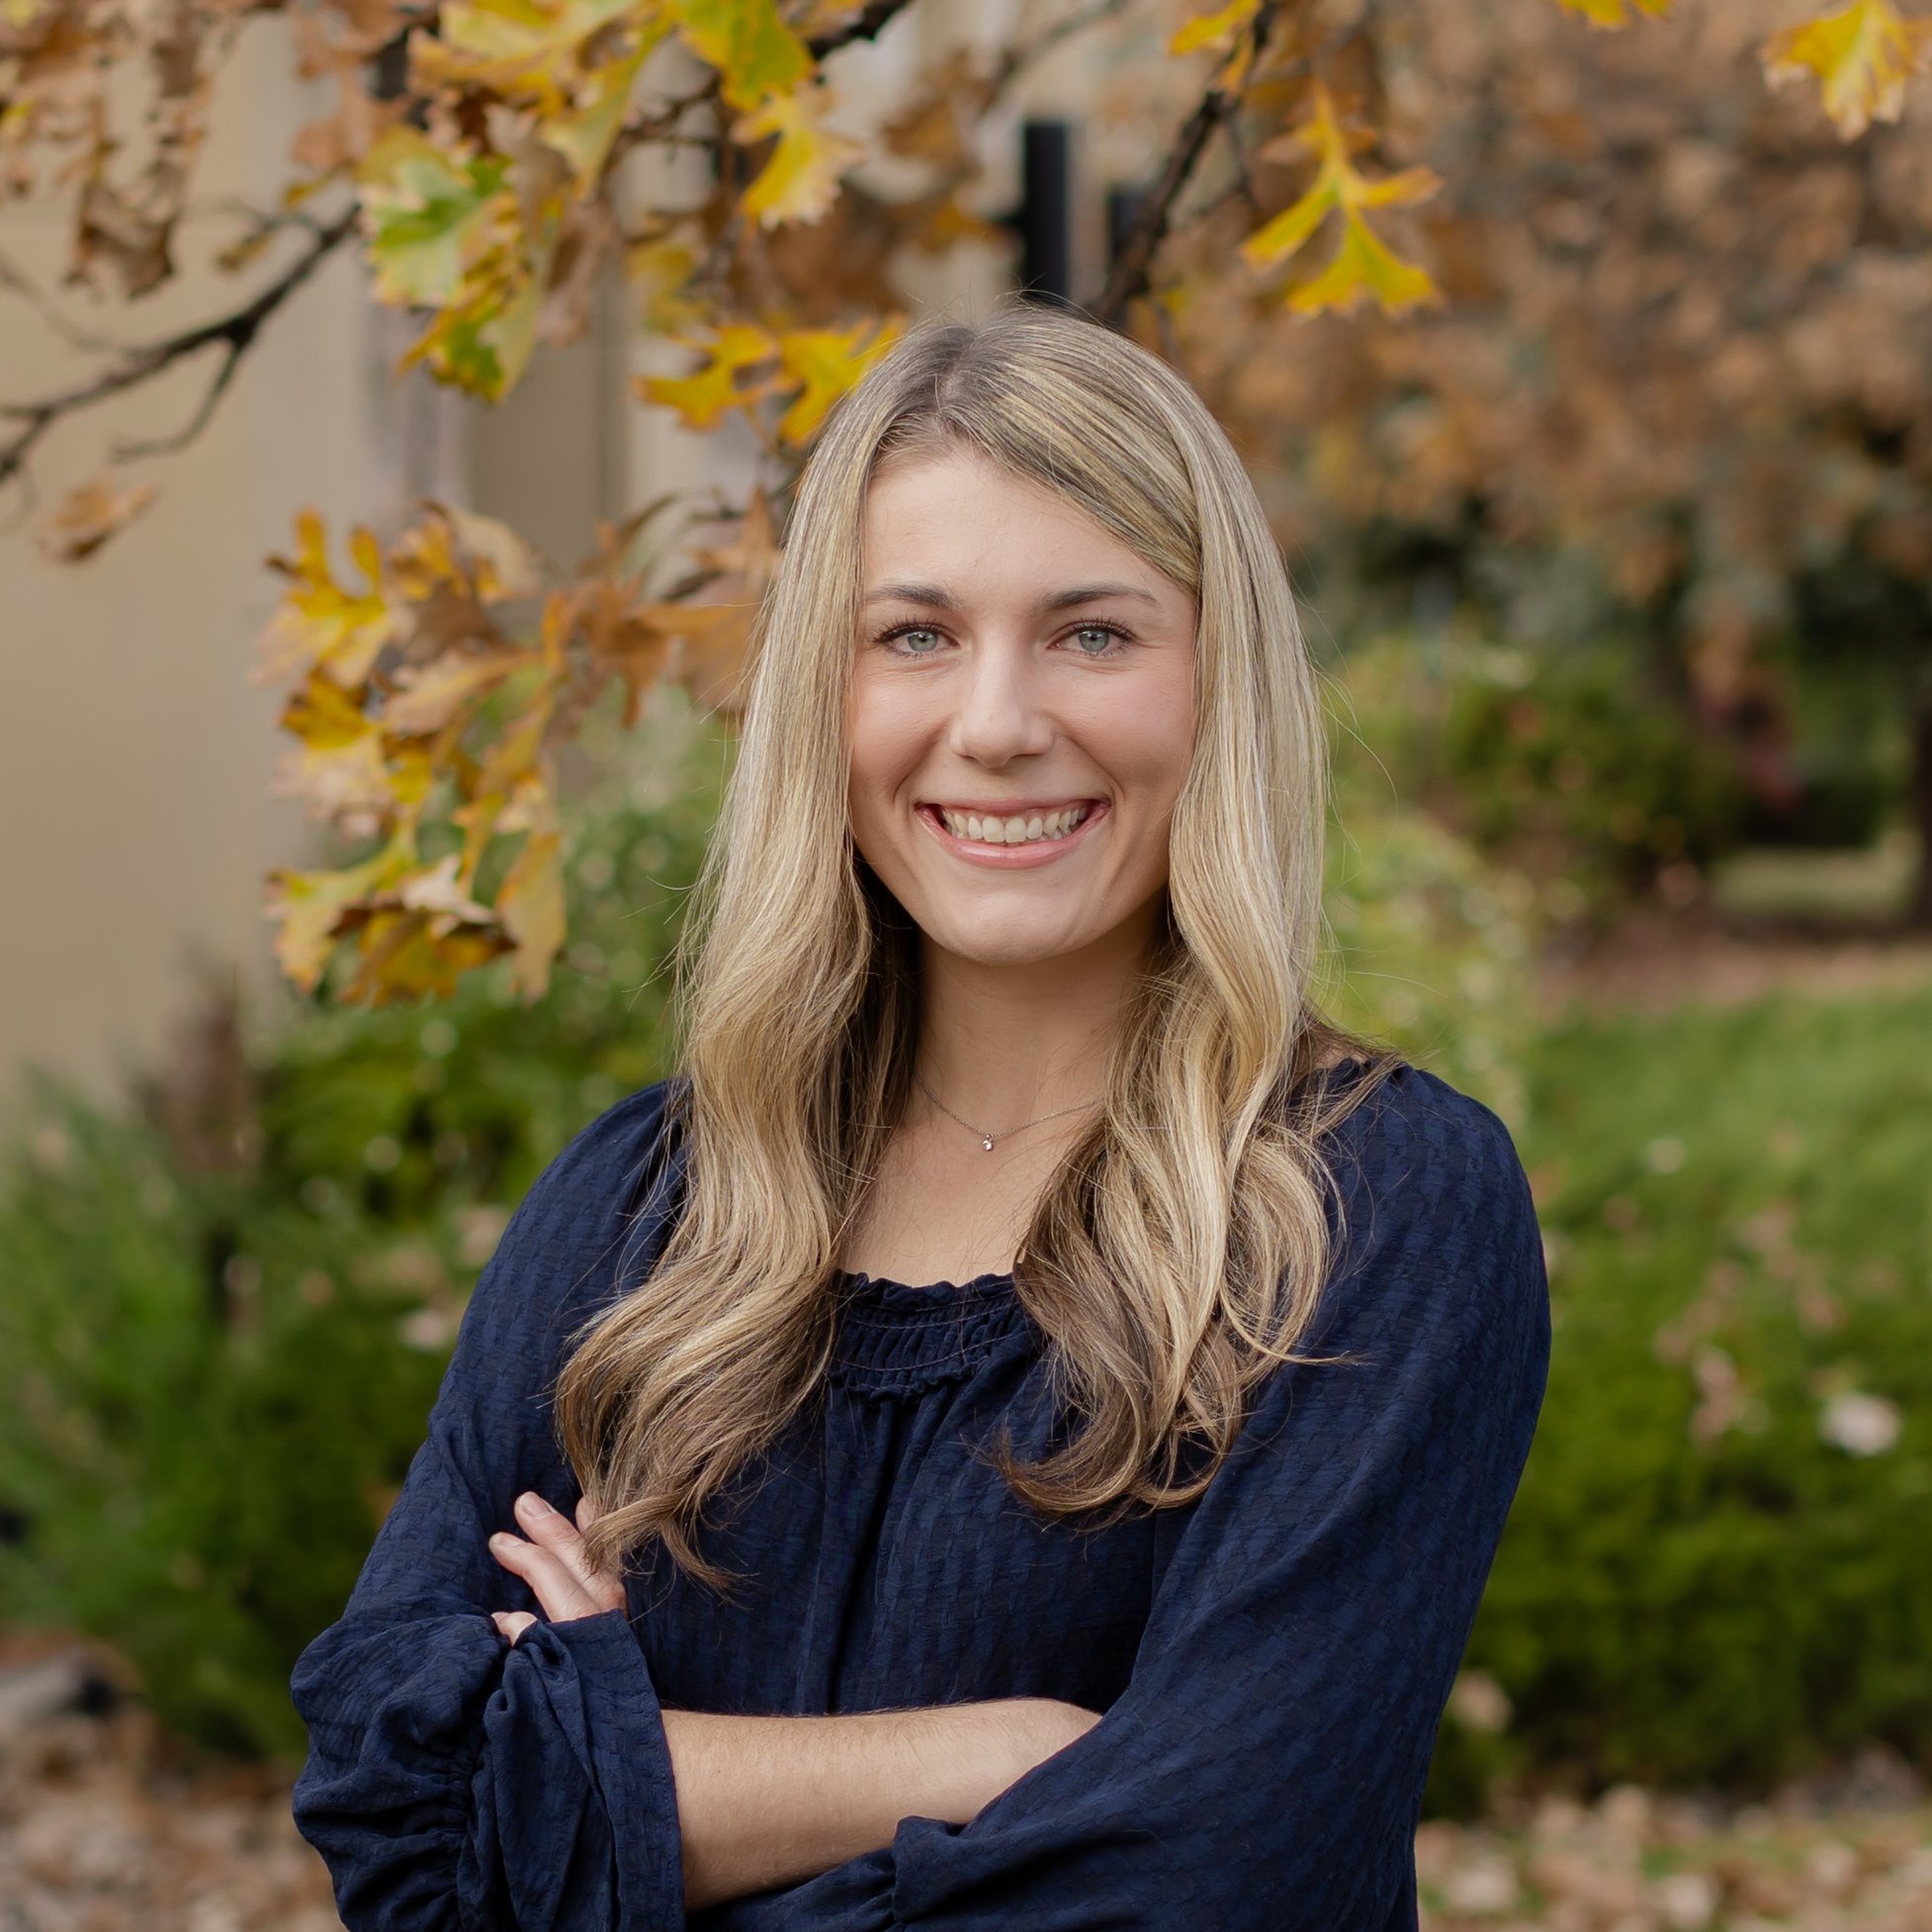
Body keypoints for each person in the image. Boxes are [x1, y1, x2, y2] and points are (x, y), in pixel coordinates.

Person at [290, 298, 1550, 1932]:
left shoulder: (1369, 1208)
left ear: (1216, 683)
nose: (998, 721)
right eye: (916, 634)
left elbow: (1210, 1882)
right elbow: (399, 1820)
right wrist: (990, 1756)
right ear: (828, 687)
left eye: (1093, 632)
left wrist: (602, 1781)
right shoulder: (641, 1210)